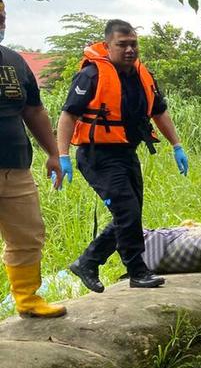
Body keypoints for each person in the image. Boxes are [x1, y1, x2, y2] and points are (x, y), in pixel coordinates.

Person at [58, 20, 189, 291]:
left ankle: (88, 261)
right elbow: (68, 114)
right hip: (97, 155)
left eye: (133, 44)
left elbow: (159, 111)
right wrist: (63, 155)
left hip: (126, 151)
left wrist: (177, 145)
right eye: (122, 45)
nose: (129, 50)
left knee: (129, 213)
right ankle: (137, 271)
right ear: (108, 46)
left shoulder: (142, 75)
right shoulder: (92, 75)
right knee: (127, 211)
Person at [0, 0, 67, 318]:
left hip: (15, 168)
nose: (0, 22)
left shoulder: (14, 61)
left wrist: (54, 153)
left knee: (28, 234)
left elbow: (34, 110)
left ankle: (27, 299)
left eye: (2, 17)